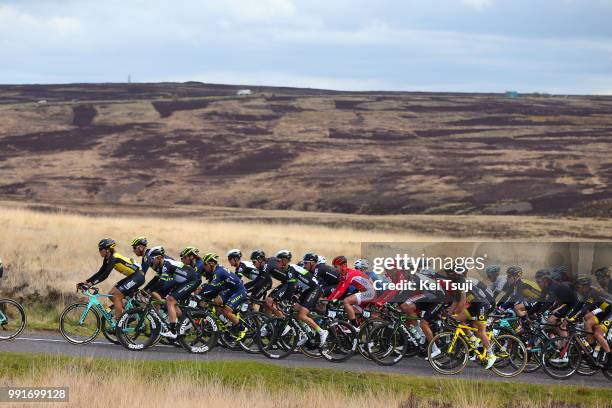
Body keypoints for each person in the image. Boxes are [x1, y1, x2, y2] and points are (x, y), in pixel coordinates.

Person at [78, 238, 145, 320]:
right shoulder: (108, 258)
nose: (99, 251)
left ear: (107, 250)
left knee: (116, 296)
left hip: (138, 276)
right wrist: (85, 282)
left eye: (100, 249)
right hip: (133, 276)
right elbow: (100, 272)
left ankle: (119, 324)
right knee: (111, 295)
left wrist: (90, 284)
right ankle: (132, 313)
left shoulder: (114, 258)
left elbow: (105, 275)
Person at [445, 266, 496, 369]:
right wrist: (449, 314)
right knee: (457, 320)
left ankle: (491, 356)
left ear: (455, 274)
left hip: (482, 305)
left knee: (481, 332)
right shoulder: (455, 283)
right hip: (474, 305)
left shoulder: (461, 281)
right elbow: (455, 300)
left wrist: (457, 311)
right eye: (447, 274)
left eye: (450, 274)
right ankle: (473, 338)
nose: (448, 276)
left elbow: (462, 301)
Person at [149, 247, 201, 339]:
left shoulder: (166, 264)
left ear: (159, 258)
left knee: (170, 300)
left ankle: (173, 331)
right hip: (184, 281)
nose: (151, 262)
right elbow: (157, 282)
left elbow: (162, 282)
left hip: (192, 280)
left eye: (152, 259)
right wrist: (147, 290)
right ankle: (184, 321)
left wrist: (149, 291)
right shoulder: (162, 267)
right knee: (173, 302)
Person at [198, 253, 248, 340]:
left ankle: (243, 329)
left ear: (211, 264)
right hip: (230, 290)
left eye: (205, 265)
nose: (204, 268)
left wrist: (200, 296)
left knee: (226, 311)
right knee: (216, 303)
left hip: (239, 291)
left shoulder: (218, 272)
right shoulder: (215, 270)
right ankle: (227, 325)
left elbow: (212, 287)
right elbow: (210, 286)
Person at [328, 256, 376, 328]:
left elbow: (342, 289)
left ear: (342, 266)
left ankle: (354, 327)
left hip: (370, 293)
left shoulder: (350, 274)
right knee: (348, 309)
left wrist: (333, 300)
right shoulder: (343, 275)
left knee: (346, 301)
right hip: (367, 293)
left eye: (335, 267)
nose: (334, 269)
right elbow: (338, 289)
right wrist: (329, 299)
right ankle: (369, 316)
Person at [574, 274, 611, 367]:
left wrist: (574, 318)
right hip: (603, 311)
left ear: (585, 286)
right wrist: (569, 317)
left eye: (579, 287)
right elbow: (578, 307)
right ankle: (592, 347)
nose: (578, 289)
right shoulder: (585, 294)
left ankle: (610, 358)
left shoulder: (592, 292)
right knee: (588, 323)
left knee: (598, 333)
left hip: (610, 312)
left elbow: (587, 307)